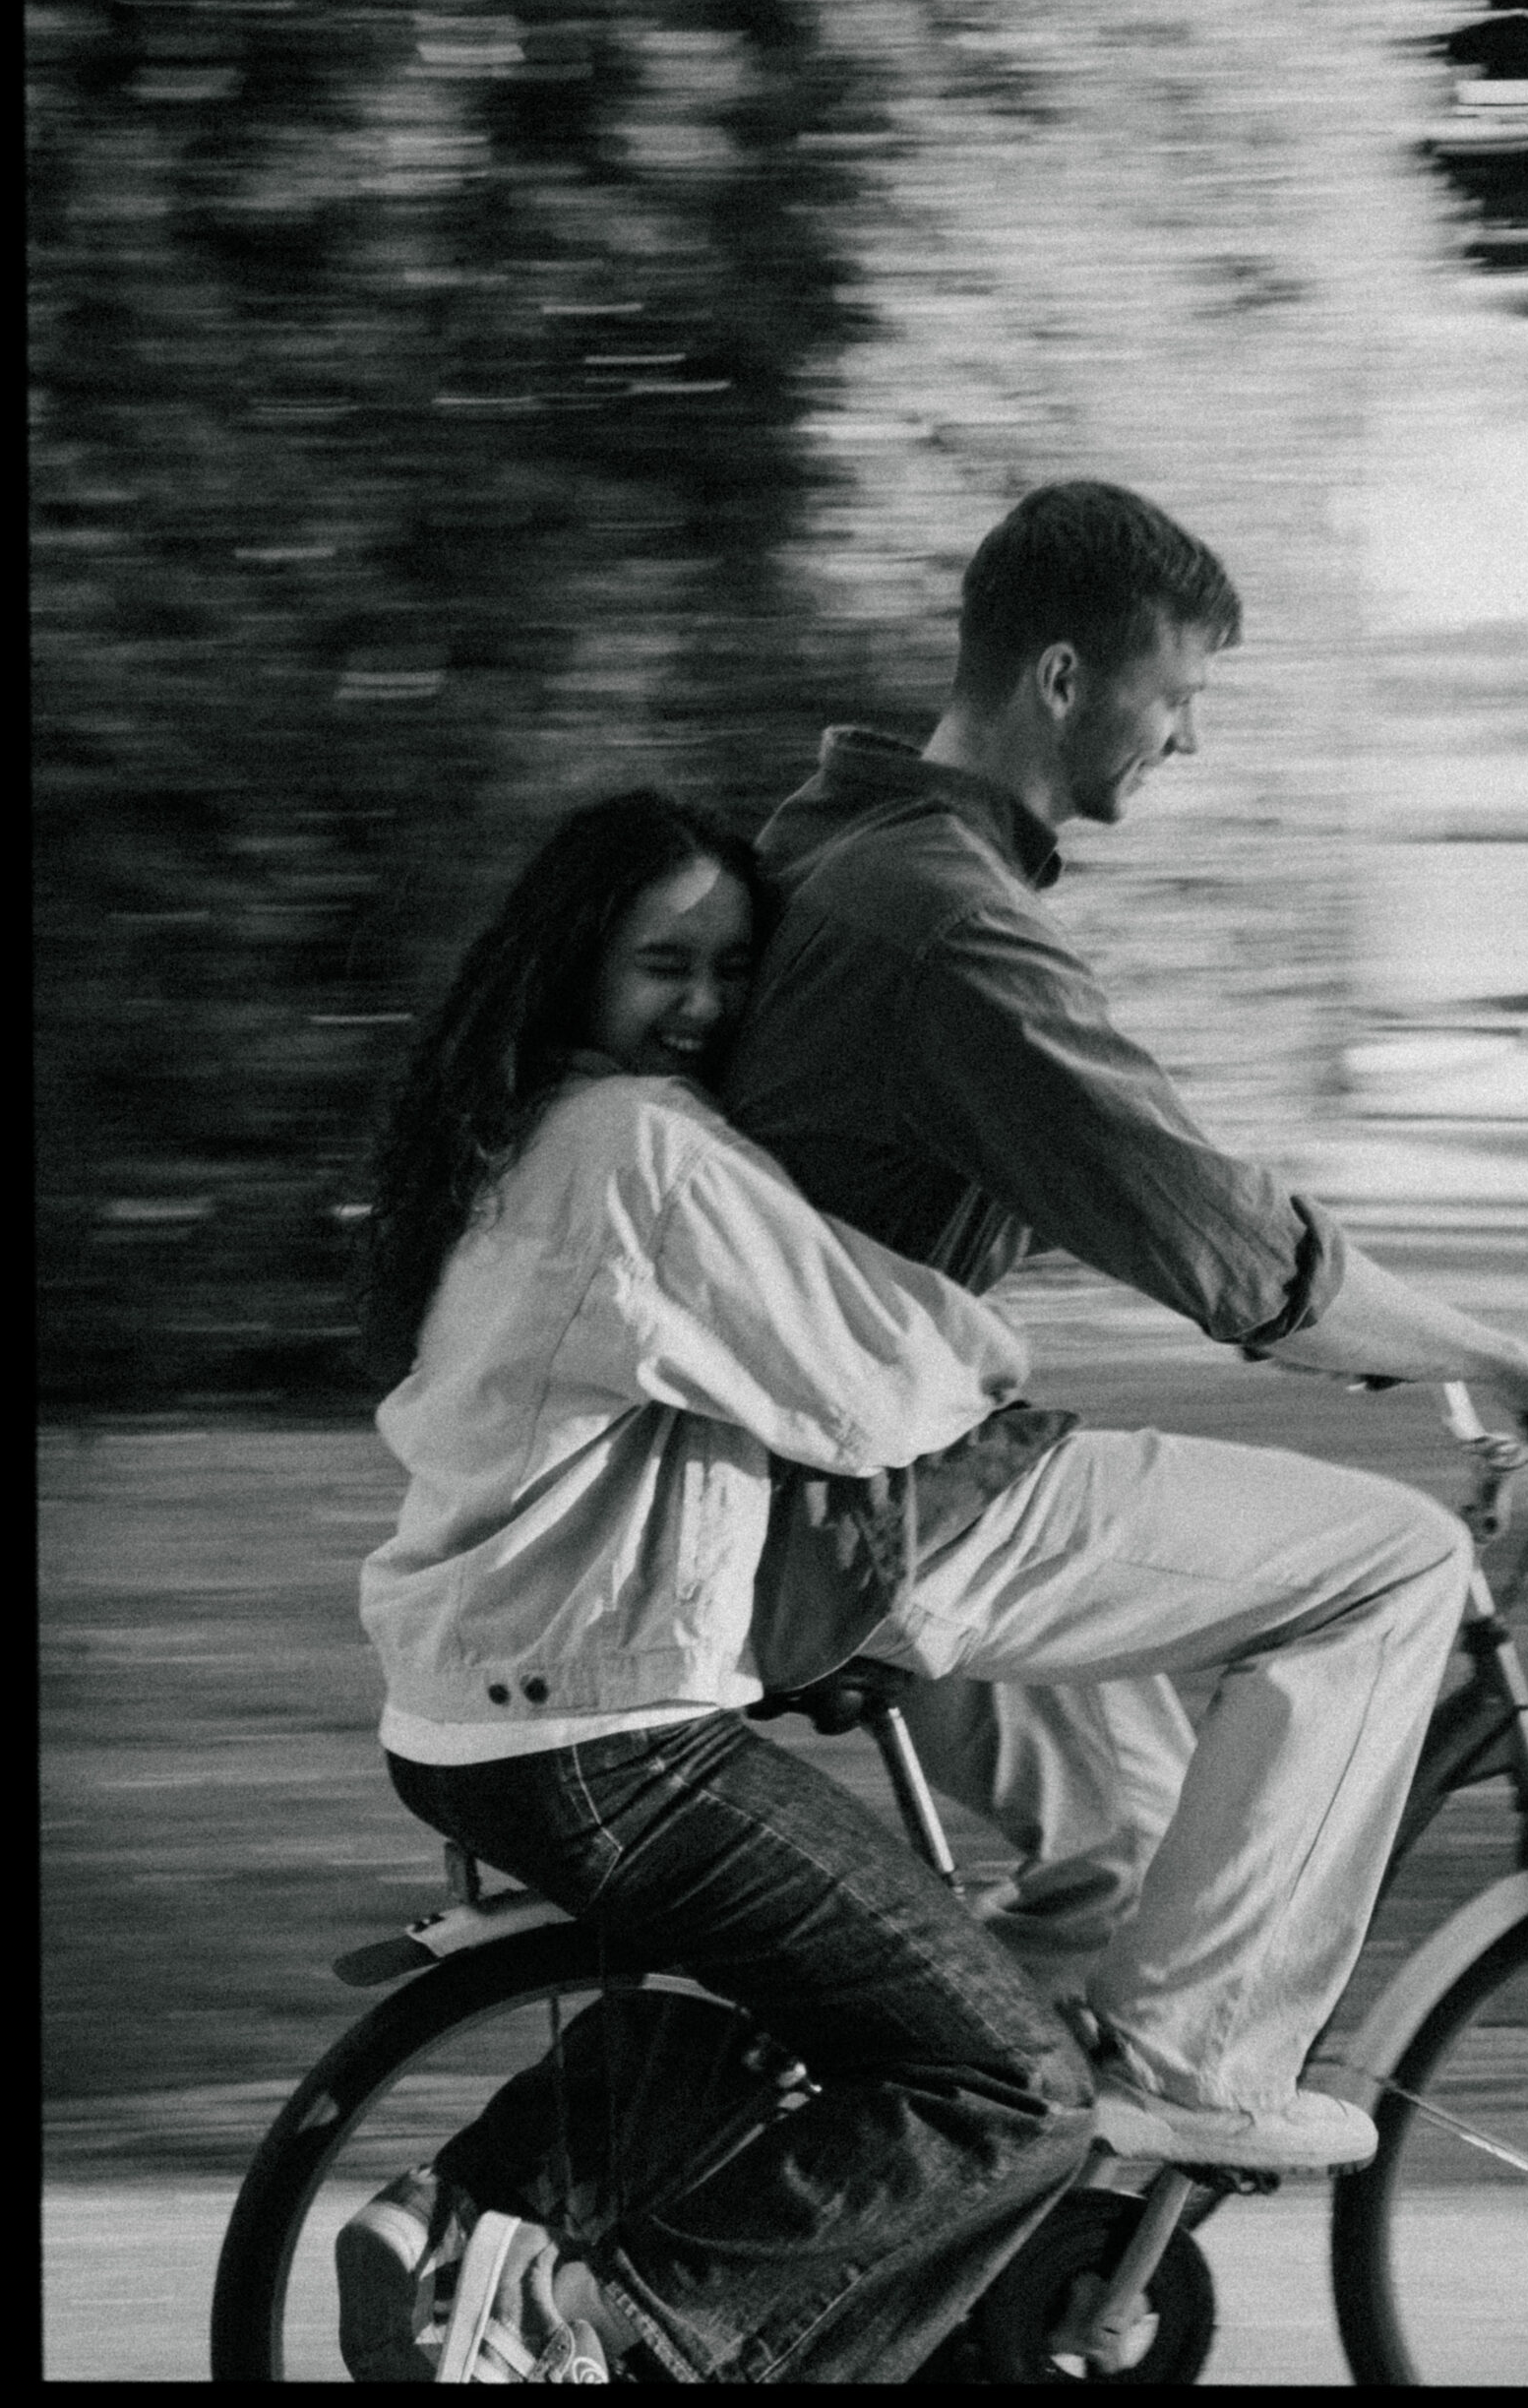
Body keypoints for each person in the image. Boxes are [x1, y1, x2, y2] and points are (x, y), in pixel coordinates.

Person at [724, 479, 1528, 2169]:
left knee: (1132, 1859)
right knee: (1399, 1566)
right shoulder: (942, 921)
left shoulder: (837, 847)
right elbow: (1222, 1247)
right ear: (1064, 679)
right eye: (1179, 694)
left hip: (818, 1480)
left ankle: (958, 2237)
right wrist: (1500, 1356)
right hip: (872, 1507)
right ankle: (1201, 2078)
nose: (1189, 740)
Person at [338, 791, 1093, 2383]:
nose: (703, 1006)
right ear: (574, 968)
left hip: (473, 1715)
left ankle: (465, 2205)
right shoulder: (643, 1146)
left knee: (829, 2017)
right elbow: (875, 1378)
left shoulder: (516, 1129)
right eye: (661, 965)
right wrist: (1000, 1338)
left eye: (732, 969)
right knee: (1013, 2087)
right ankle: (598, 2319)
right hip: (606, 1735)